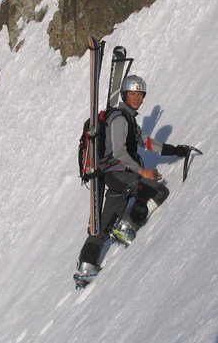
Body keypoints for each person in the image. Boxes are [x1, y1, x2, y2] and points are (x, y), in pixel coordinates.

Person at [75, 74, 191, 286]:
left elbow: (147, 142)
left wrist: (176, 150)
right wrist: (142, 172)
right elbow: (119, 153)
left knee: (102, 223)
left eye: (140, 94)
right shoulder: (119, 119)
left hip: (115, 176)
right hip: (118, 174)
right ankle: (126, 226)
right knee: (158, 192)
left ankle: (85, 267)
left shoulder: (128, 119)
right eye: (133, 94)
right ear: (125, 95)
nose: (137, 98)